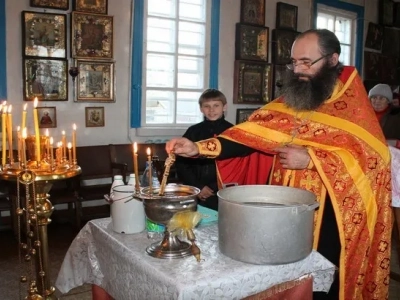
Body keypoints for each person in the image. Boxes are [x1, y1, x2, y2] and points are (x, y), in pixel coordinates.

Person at [166, 29, 392, 299]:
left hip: (334, 214)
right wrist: (197, 149)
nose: (298, 70)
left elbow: (375, 160)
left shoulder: (353, 108)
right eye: (294, 62)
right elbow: (250, 135)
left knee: (325, 280)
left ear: (332, 60)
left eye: (306, 62)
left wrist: (311, 160)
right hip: (284, 209)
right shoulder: (293, 100)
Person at [175, 89, 233, 210]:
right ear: (201, 109)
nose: (211, 110)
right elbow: (181, 163)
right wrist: (198, 186)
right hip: (196, 190)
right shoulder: (193, 131)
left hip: (223, 190)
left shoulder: (233, 132)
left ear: (224, 107)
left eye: (216, 105)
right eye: (207, 106)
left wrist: (214, 188)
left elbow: (235, 164)